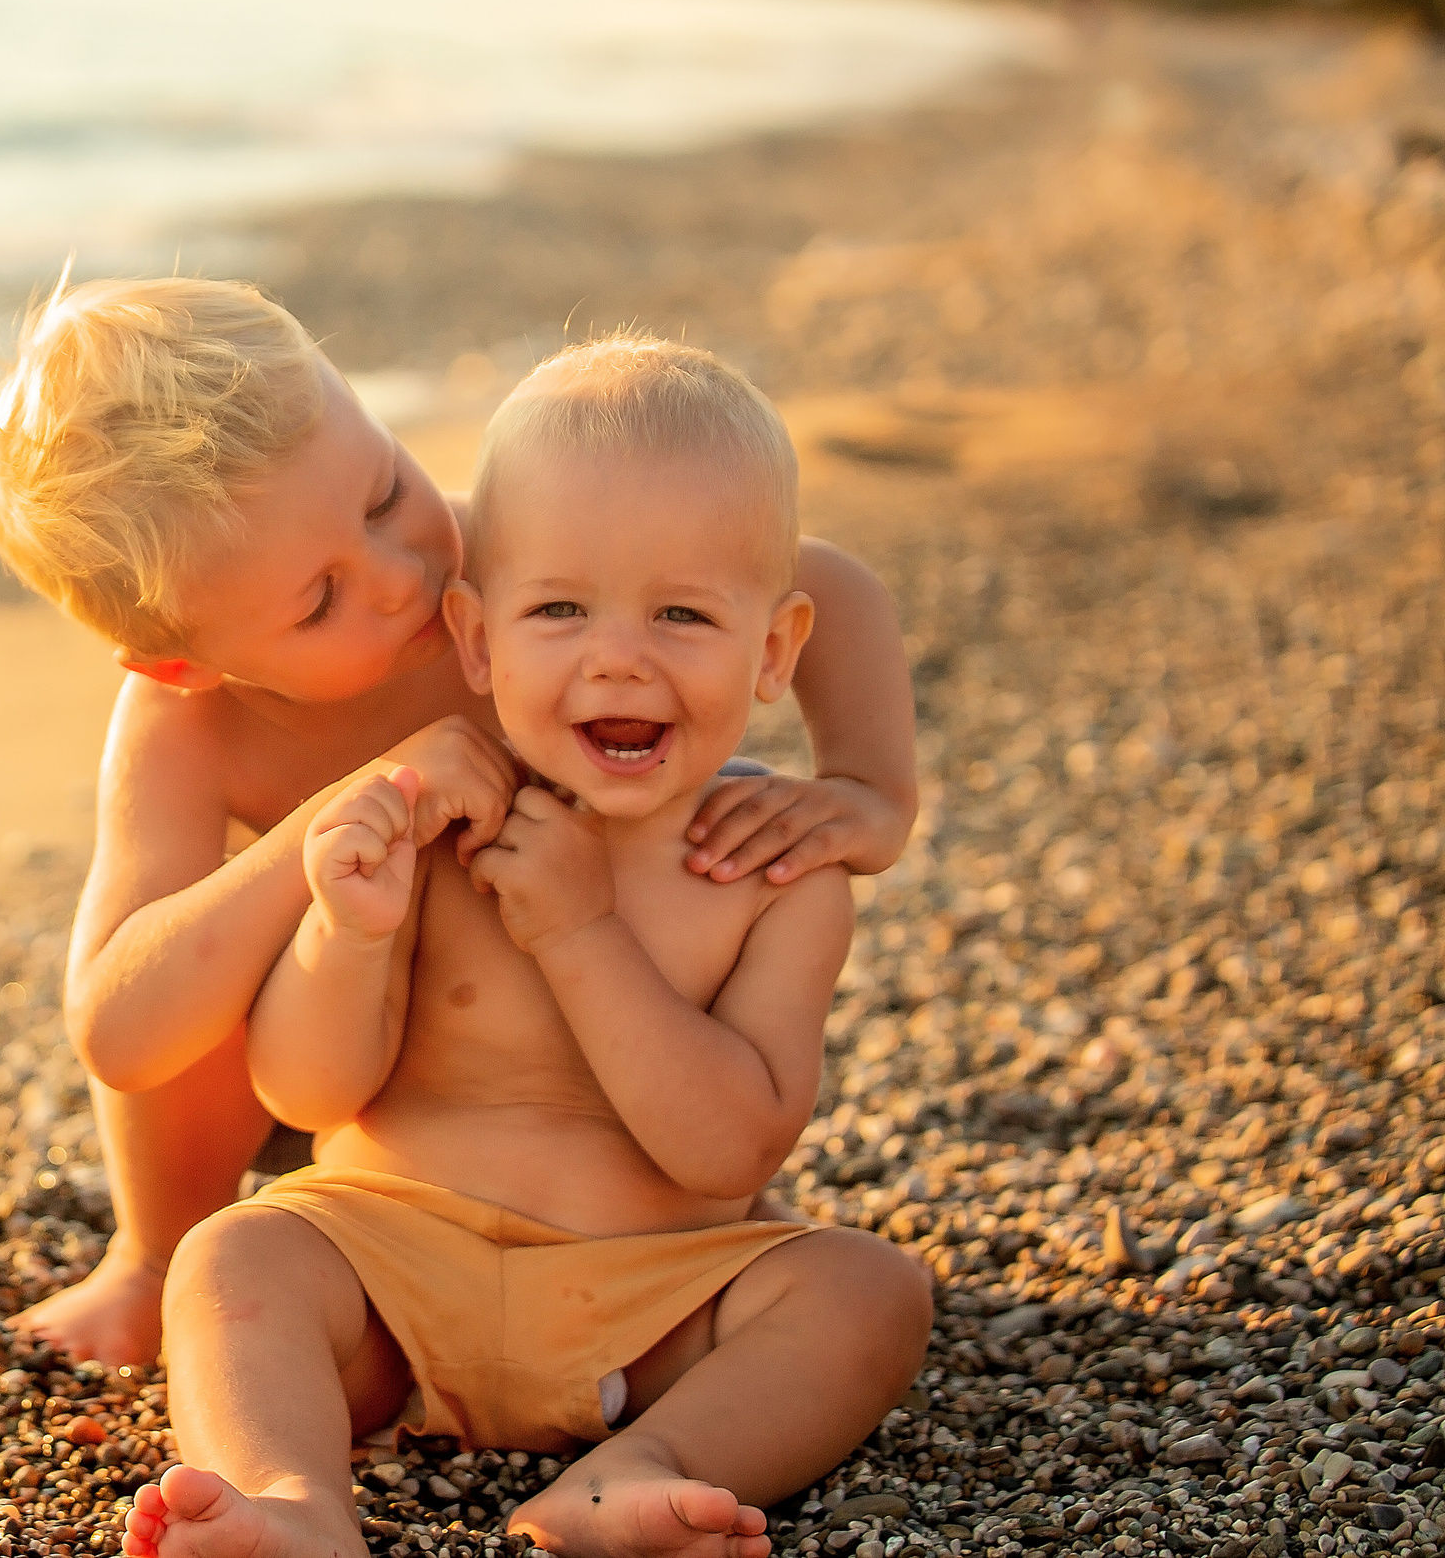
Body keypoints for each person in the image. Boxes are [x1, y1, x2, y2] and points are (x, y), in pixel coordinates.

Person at [0, 279, 918, 1368]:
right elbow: (119, 1027)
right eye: (320, 599)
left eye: (382, 494)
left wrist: (870, 791)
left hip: (571, 1049)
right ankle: (154, 1256)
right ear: (186, 659)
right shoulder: (185, 724)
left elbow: (819, 583)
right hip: (334, 1056)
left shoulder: (511, 553)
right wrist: (339, 817)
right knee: (200, 947)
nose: (403, 573)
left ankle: (656, 1211)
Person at [123, 336, 932, 1558]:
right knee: (234, 1254)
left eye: (681, 613)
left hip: (655, 1303)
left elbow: (731, 1150)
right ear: (477, 639)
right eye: (558, 609)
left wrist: (577, 930)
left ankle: (640, 1473)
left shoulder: (773, 872)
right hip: (388, 1282)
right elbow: (304, 1092)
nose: (618, 655)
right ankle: (291, 1501)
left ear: (773, 651)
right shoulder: (439, 818)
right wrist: (347, 931)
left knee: (867, 1292)